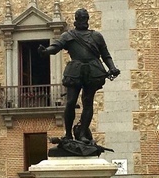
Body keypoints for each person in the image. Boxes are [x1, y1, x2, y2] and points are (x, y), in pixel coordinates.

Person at [40, 8, 119, 143]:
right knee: (70, 102)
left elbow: (105, 55)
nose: (83, 21)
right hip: (75, 71)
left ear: (87, 20)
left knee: (87, 102)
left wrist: (112, 67)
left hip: (93, 71)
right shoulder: (68, 35)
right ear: (76, 19)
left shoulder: (97, 36)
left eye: (85, 18)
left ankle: (82, 133)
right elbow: (56, 47)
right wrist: (46, 51)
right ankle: (68, 134)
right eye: (81, 18)